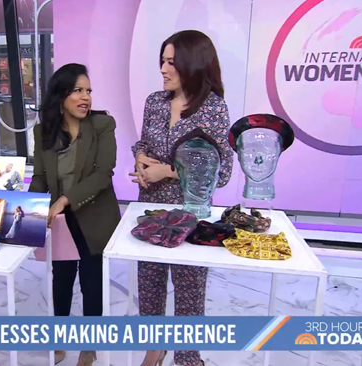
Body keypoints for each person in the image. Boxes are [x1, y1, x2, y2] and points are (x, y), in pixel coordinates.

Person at [129, 30, 234, 366]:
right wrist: (141, 160)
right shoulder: (154, 102)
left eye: (171, 62)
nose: (163, 68)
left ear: (193, 63)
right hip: (152, 208)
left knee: (189, 289)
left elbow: (223, 171)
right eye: (162, 60)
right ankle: (153, 349)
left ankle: (187, 357)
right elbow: (144, 142)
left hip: (191, 214)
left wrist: (169, 172)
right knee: (150, 284)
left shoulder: (214, 109)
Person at [29, 63, 121, 366]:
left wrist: (65, 199)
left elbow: (103, 174)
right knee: (62, 280)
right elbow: (41, 178)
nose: (86, 98)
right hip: (60, 220)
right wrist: (31, 207)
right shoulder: (43, 131)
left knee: (92, 282)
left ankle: (89, 348)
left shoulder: (102, 126)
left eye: (89, 91)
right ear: (60, 97)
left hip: (95, 216)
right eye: (77, 91)